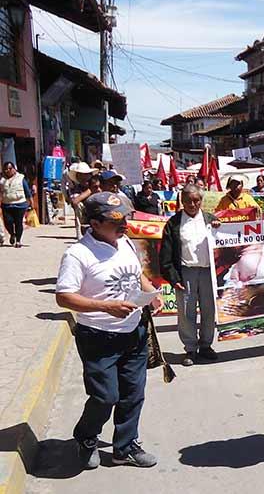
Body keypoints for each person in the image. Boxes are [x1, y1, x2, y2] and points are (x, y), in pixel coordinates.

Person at [55, 192, 164, 469]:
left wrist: (151, 292)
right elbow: (64, 297)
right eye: (115, 220)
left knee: (133, 394)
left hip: (134, 332)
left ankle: (124, 447)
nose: (124, 224)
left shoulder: (124, 241)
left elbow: (136, 273)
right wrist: (106, 307)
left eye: (125, 218)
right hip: (99, 336)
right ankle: (86, 437)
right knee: (105, 396)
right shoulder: (78, 254)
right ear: (93, 223)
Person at [160, 184, 222, 366]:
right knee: (186, 312)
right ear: (181, 201)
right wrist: (173, 278)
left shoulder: (211, 220)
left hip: (208, 272)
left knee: (209, 310)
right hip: (185, 272)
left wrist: (219, 227)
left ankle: (206, 346)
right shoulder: (174, 223)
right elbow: (165, 254)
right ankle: (190, 349)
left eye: (196, 200)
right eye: (188, 200)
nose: (192, 204)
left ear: (201, 201)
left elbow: (225, 243)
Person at [0, 161, 33, 248]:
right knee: (8, 222)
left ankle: (18, 240)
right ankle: (12, 234)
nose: (8, 171)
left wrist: (31, 203)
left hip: (20, 204)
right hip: (6, 204)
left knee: (18, 223)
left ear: (14, 169)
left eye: (10, 168)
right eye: (6, 169)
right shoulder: (2, 180)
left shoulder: (21, 178)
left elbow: (27, 192)